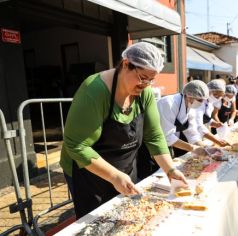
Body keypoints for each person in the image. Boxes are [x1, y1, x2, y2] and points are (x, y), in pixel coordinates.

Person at [60, 42, 187, 218]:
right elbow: (77, 146)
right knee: (97, 222)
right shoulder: (94, 91)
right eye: (143, 78)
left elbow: (154, 136)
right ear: (126, 64)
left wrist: (170, 170)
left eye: (151, 80)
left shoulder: (145, 93)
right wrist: (113, 176)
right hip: (88, 172)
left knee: (126, 217)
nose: (146, 85)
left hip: (124, 170)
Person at [157, 80, 228, 158]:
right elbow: (167, 136)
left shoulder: (191, 106)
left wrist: (205, 148)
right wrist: (193, 148)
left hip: (169, 141)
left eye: (204, 100)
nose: (202, 103)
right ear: (189, 96)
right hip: (153, 143)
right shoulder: (168, 104)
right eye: (200, 100)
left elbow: (191, 132)